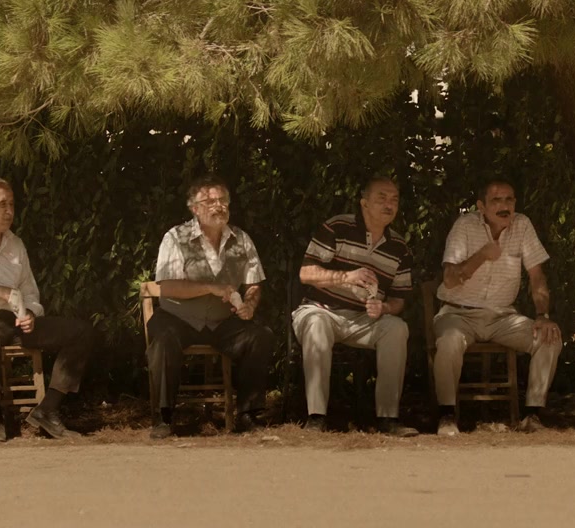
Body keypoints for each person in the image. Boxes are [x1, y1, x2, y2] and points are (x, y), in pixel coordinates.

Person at [0, 178, 97, 442]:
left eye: (12, 205)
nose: (9, 211)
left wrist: (31, 314)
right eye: (2, 205)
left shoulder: (16, 244)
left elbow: (30, 293)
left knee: (80, 331)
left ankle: (47, 410)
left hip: (12, 321)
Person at [146, 175, 273, 439]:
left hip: (222, 321)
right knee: (163, 338)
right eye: (210, 201)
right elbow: (167, 287)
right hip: (178, 317)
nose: (218, 206)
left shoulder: (241, 239)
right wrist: (210, 287)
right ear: (194, 208)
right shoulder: (175, 237)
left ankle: (248, 414)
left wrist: (249, 305)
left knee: (260, 336)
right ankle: (163, 417)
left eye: (222, 200)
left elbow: (254, 283)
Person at [433, 180, 562, 435]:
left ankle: (532, 416)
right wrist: (482, 255)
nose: (504, 206)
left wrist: (542, 315)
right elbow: (449, 279)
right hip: (458, 313)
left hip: (501, 316)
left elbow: (537, 276)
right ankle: (446, 416)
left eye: (509, 200)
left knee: (549, 337)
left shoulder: (522, 225)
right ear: (481, 206)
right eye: (496, 200)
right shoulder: (465, 226)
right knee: (449, 341)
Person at [294, 176, 418, 437]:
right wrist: (345, 276)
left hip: (364, 320)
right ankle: (316, 417)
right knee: (316, 324)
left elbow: (399, 300)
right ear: (364, 203)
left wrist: (383, 308)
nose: (389, 205)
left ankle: (388, 418)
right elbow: (305, 273)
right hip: (322, 309)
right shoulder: (338, 227)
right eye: (381, 198)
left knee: (397, 328)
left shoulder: (399, 247)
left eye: (394, 200)